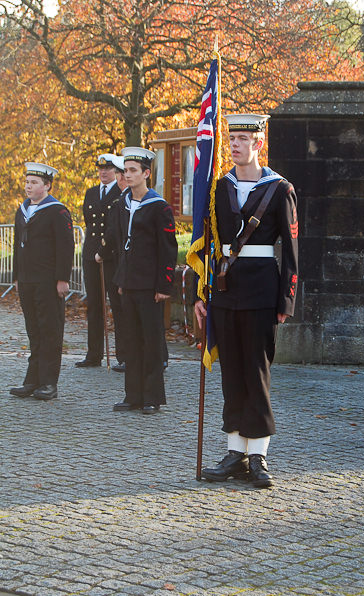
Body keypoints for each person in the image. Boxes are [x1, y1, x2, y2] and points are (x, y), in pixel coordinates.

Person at [195, 114, 299, 488]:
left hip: (260, 291)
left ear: (258, 143)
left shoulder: (280, 189)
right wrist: (201, 292)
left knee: (256, 371)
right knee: (232, 372)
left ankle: (259, 456)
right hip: (224, 290)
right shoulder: (218, 188)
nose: (235, 144)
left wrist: (286, 299)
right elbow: (206, 243)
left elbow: (290, 249)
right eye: (232, 138)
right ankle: (234, 451)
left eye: (242, 138)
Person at [112, 147, 177, 415]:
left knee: (151, 341)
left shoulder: (159, 207)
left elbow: (168, 248)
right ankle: (133, 395)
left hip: (150, 286)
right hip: (128, 283)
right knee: (131, 339)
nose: (127, 175)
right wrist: (121, 279)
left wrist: (164, 285)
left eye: (132, 171)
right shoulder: (122, 204)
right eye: (125, 170)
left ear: (146, 174)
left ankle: (152, 397)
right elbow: (120, 245)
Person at [10, 162, 74, 400]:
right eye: (27, 182)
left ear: (47, 186)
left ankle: (49, 383)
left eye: (34, 182)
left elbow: (66, 247)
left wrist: (62, 279)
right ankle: (32, 380)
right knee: (34, 331)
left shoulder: (57, 211)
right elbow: (18, 245)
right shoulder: (22, 210)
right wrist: (16, 276)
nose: (28, 186)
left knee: (49, 331)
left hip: (48, 281)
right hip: (28, 280)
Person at [76, 154, 124, 369]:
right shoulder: (91, 193)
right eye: (100, 169)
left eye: (108, 169)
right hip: (91, 254)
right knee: (94, 305)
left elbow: (115, 227)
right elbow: (90, 224)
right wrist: (94, 252)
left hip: (112, 256)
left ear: (115, 170)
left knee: (118, 304)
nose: (103, 172)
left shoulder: (121, 192)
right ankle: (94, 354)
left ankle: (123, 355)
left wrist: (105, 251)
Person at [95, 155, 127, 372]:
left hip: (127, 263)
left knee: (133, 313)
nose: (122, 178)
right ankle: (125, 356)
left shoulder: (124, 199)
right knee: (120, 310)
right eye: (121, 174)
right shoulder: (120, 201)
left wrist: (103, 251)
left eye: (125, 173)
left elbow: (115, 232)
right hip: (116, 260)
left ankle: (149, 356)